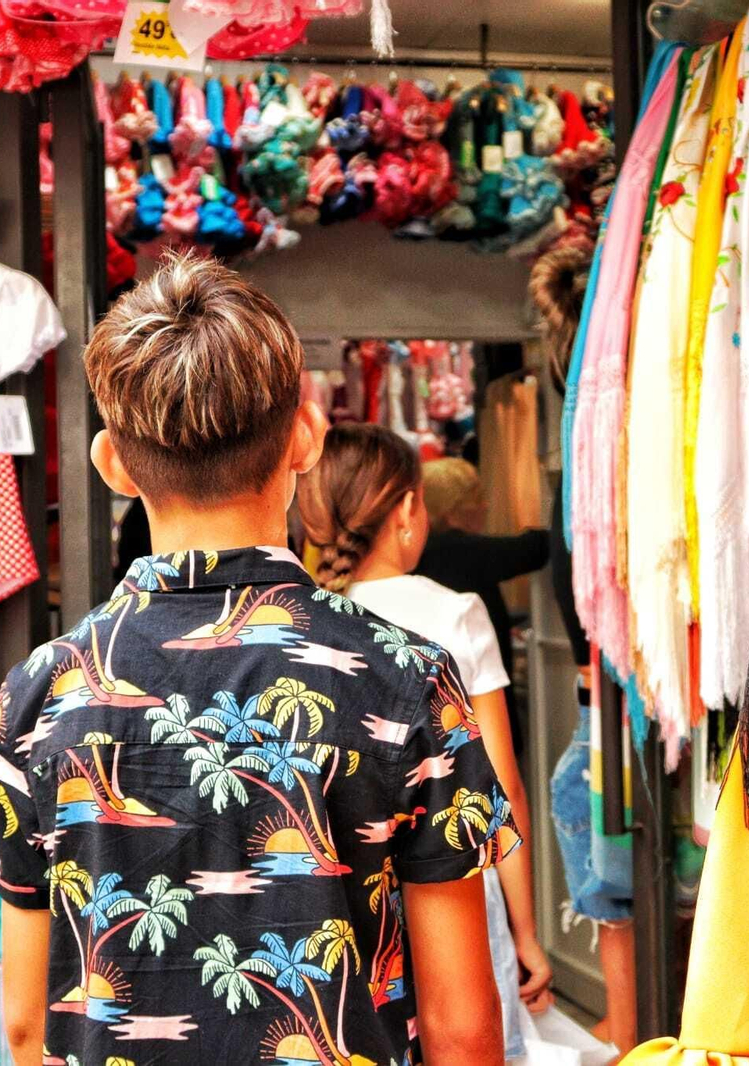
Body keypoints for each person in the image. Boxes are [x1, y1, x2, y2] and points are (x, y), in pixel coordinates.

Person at [0, 253, 510, 1066]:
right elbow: (461, 1027)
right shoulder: (409, 678)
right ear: (305, 437)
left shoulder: (39, 695)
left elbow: (25, 1026)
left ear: (111, 465)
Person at [300, 424, 580, 1064]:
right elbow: (499, 792)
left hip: (341, 895)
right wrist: (528, 934)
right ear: (405, 510)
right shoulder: (455, 616)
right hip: (451, 887)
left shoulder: (305, 619)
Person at [413, 457, 550, 752]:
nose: (485, 506)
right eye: (476, 499)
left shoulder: (420, 554)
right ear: (452, 512)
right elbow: (534, 549)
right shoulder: (459, 549)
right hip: (479, 703)